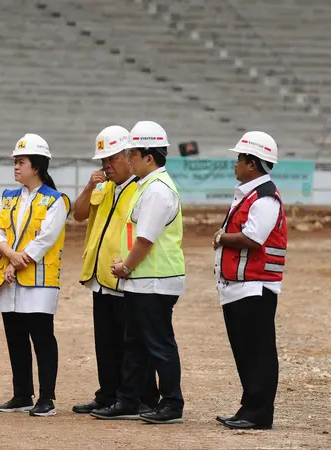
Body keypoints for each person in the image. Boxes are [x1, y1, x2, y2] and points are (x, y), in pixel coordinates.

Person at [70, 126, 160, 418]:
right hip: (101, 277)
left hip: (127, 276)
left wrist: (129, 265)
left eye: (112, 158)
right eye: (102, 160)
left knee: (132, 343)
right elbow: (79, 214)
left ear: (128, 156)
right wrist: (88, 187)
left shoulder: (141, 188)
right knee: (105, 343)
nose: (106, 165)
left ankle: (142, 397)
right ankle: (108, 394)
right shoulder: (103, 186)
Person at [109, 120, 186, 424]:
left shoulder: (156, 191)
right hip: (144, 281)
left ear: (149, 157)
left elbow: (145, 240)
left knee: (158, 344)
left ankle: (171, 403)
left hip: (155, 280)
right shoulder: (149, 187)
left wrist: (126, 267)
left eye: (133, 154)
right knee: (137, 344)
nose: (128, 160)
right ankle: (131, 399)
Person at [0, 134, 70, 417]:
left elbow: (45, 240)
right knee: (16, 338)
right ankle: (22, 394)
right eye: (15, 161)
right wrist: (9, 256)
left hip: (39, 282)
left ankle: (47, 398)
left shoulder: (56, 200)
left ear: (36, 166)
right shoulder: (7, 197)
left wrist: (15, 261)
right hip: (9, 280)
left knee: (42, 338)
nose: (16, 166)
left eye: (21, 162)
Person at [213, 131, 286, 430]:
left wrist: (220, 237)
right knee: (245, 351)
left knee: (258, 353)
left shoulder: (265, 197)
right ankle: (249, 408)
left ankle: (258, 413)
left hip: (255, 287)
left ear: (252, 164)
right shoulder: (251, 194)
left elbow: (253, 238)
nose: (236, 164)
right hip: (240, 286)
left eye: (239, 159)